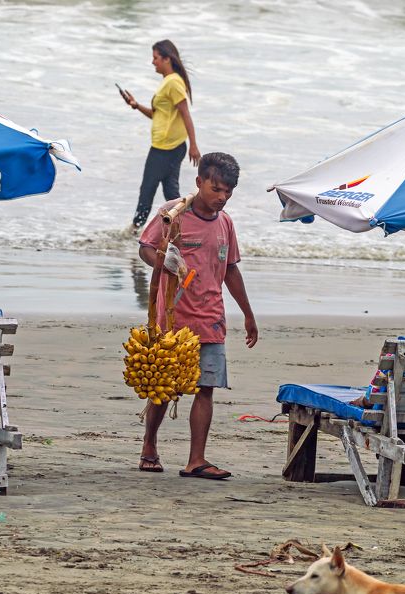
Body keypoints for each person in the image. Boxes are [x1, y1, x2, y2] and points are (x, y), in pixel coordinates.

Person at [136, 152, 257, 479]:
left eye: (228, 192)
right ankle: (149, 444)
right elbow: (145, 247)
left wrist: (248, 313)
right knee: (164, 387)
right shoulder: (171, 214)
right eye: (216, 189)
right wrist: (165, 262)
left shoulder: (225, 223)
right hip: (173, 318)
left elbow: (230, 269)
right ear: (199, 181)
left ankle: (196, 460)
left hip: (211, 319)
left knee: (206, 387)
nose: (222, 197)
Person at [120, 40, 202, 229]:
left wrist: (194, 145)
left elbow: (185, 113)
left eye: (155, 58)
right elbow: (157, 115)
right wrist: (136, 105)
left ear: (167, 59)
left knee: (147, 190)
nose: (152, 62)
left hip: (166, 148)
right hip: (167, 146)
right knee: (171, 193)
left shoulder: (173, 82)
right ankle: (185, 228)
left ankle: (134, 231)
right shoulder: (168, 82)